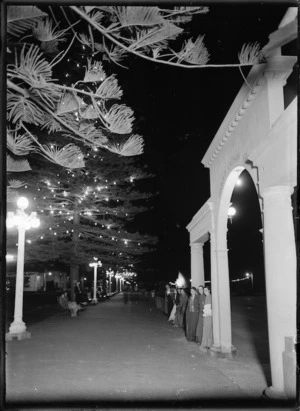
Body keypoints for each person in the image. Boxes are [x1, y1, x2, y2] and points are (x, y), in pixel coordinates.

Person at [200, 286, 213, 352]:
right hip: (207, 316)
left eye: (206, 290)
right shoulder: (207, 297)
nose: (205, 291)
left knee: (207, 330)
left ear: (209, 291)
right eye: (204, 290)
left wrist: (205, 314)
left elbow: (209, 309)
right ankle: (208, 344)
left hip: (208, 316)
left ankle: (206, 345)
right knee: (208, 330)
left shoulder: (209, 297)